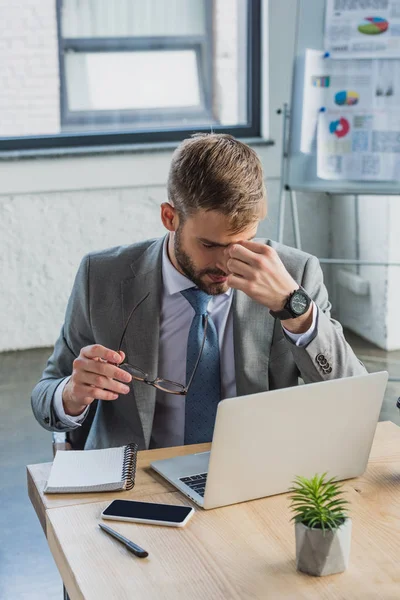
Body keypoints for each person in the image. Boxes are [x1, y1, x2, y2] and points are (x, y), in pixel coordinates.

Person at [31, 133, 366, 450]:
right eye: (209, 244)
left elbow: (353, 398)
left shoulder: (294, 275)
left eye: (243, 242)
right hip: (138, 481)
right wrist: (72, 394)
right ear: (169, 217)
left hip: (253, 477)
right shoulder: (102, 276)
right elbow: (45, 396)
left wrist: (297, 311)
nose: (227, 262)